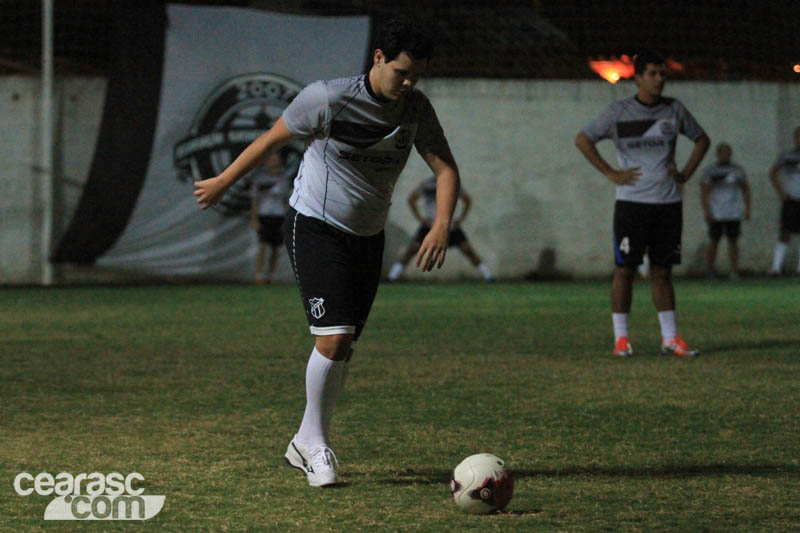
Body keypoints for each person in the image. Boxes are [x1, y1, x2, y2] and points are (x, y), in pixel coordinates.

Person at [193, 15, 460, 487]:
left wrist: (441, 225)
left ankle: (305, 439)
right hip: (316, 224)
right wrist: (222, 180)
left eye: (417, 74)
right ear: (378, 58)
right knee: (333, 338)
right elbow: (270, 139)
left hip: (368, 235)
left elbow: (444, 169)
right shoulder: (328, 98)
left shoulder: (415, 107)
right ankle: (315, 446)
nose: (409, 82)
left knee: (344, 347)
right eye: (401, 72)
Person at [574, 51, 710, 358]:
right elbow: (583, 139)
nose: (659, 79)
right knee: (625, 270)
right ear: (637, 78)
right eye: (652, 73)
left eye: (662, 74)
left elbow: (702, 140)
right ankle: (621, 339)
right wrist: (610, 172)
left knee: (662, 271)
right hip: (632, 204)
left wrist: (685, 174)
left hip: (667, 203)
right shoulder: (619, 111)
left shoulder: (674, 110)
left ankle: (670, 338)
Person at [387, 176, 493, 282]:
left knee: (467, 250)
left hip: (448, 225)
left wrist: (460, 219)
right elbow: (411, 199)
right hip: (430, 226)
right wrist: (420, 219)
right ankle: (392, 277)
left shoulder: (452, 182)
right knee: (412, 249)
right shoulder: (427, 184)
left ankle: (488, 276)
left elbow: (467, 200)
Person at [700, 143, 751, 279]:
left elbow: (745, 189)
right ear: (717, 154)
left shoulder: (737, 170)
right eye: (721, 153)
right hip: (716, 212)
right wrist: (707, 211)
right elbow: (704, 191)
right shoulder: (710, 171)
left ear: (730, 154)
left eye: (727, 153)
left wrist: (747, 208)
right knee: (714, 241)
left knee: (733, 241)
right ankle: (710, 271)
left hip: (733, 212)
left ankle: (734, 271)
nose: (724, 155)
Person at [248, 151, 294, 285]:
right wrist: (254, 218)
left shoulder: (284, 178)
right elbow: (255, 200)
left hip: (279, 216)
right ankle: (259, 275)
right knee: (262, 245)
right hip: (264, 215)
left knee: (275, 247)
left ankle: (270, 276)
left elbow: (287, 201)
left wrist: (286, 220)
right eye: (271, 159)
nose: (273, 162)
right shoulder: (260, 178)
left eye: (276, 159)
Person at [768, 126, 800, 276]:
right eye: (798, 137)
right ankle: (776, 268)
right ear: (795, 139)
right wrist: (781, 193)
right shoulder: (787, 156)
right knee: (785, 232)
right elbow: (773, 172)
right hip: (791, 200)